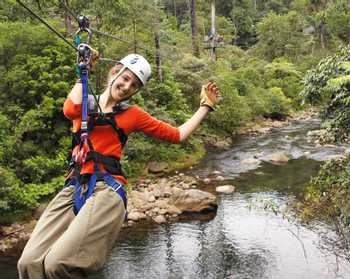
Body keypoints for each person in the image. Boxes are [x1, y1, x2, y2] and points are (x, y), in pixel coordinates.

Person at [17, 53, 219, 279]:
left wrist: (205, 106)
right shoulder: (85, 103)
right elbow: (69, 110)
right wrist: (83, 72)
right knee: (29, 263)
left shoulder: (132, 115)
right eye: (125, 78)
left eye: (133, 85)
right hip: (74, 187)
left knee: (58, 264)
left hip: (107, 190)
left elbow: (177, 134)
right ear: (114, 72)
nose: (126, 87)